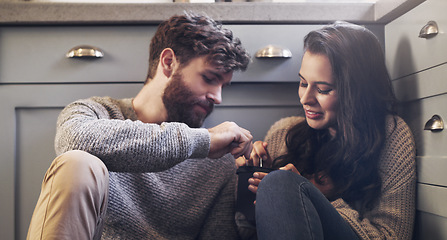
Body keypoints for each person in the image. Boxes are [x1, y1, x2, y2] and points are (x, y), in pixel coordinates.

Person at [27, 12, 252, 240]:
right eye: (209, 78)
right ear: (168, 63)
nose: (218, 97)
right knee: (77, 162)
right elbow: (73, 140)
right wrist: (201, 141)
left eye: (224, 86)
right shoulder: (95, 113)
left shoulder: (218, 161)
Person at [238, 21, 416, 240]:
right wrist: (249, 185)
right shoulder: (282, 134)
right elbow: (246, 233)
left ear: (356, 92)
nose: (305, 99)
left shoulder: (391, 136)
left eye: (323, 89)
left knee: (282, 183)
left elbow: (392, 236)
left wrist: (313, 198)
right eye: (303, 83)